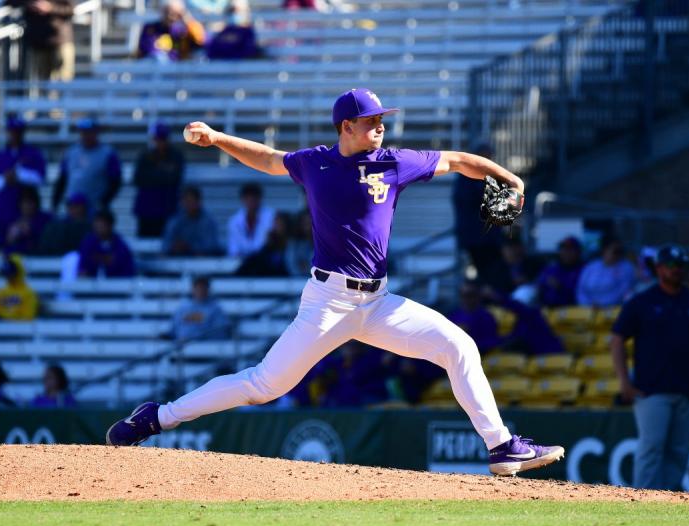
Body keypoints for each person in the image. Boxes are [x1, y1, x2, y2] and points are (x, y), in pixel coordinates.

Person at [107, 88, 564, 477]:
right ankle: (158, 417)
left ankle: (502, 446)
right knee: (264, 385)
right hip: (327, 301)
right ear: (345, 126)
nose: (380, 127)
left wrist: (509, 176)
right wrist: (217, 137)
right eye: (371, 122)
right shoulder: (315, 164)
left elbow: (460, 159)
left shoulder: (395, 162)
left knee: (458, 346)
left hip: (379, 302)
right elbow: (267, 159)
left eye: (382, 120)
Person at [611, 245, 689, 490]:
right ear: (659, 268)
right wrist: (624, 382)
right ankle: (643, 501)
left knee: (679, 452)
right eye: (671, 265)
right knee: (651, 446)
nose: (676, 270)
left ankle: (667, 502)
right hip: (651, 391)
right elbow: (617, 340)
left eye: (680, 265)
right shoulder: (642, 302)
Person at [0, 117, 46, 247]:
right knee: (2, 249)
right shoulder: (0, 156)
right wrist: (4, 179)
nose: (15, 135)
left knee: (27, 248)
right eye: (12, 131)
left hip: (26, 214)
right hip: (3, 212)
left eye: (18, 131)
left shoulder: (33, 153)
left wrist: (19, 175)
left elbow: (40, 178)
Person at [451, 142, 504, 278]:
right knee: (484, 274)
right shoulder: (465, 177)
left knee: (494, 273)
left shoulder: (492, 178)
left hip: (491, 238)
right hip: (475, 237)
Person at [52, 117, 122, 214]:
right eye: (84, 132)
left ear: (96, 133)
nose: (87, 135)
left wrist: (104, 201)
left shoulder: (107, 154)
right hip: (73, 206)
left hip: (94, 206)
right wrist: (55, 203)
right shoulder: (71, 152)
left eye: (90, 132)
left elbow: (115, 181)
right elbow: (62, 178)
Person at [132, 123, 185, 237]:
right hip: (146, 209)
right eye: (157, 138)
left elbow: (175, 179)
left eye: (163, 138)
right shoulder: (145, 155)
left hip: (167, 209)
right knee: (145, 243)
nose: (160, 141)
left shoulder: (176, 156)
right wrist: (163, 174)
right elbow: (137, 179)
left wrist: (152, 176)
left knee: (166, 244)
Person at [6, 0, 75, 82]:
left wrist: (50, 8)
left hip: (60, 41)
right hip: (38, 42)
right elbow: (10, 3)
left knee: (63, 78)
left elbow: (70, 9)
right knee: (43, 80)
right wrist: (30, 4)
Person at [137, 0, 206, 63]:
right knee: (158, 59)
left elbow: (200, 41)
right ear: (162, 12)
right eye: (167, 12)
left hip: (176, 70)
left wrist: (187, 19)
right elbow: (149, 49)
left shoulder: (181, 31)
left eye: (174, 13)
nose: (170, 16)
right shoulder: (151, 29)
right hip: (155, 69)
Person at [161, 186, 221, 256]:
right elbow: (165, 246)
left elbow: (211, 247)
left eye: (191, 201)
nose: (188, 204)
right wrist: (174, 246)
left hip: (202, 263)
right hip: (177, 261)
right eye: (185, 201)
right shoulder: (175, 221)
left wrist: (189, 247)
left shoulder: (208, 221)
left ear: (199, 202)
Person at [166, 276, 230, 342]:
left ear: (208, 289)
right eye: (198, 288)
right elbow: (173, 331)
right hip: (181, 346)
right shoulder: (182, 308)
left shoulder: (216, 309)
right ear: (193, 289)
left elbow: (220, 332)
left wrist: (197, 338)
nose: (200, 290)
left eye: (203, 288)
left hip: (204, 347)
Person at [77, 210, 136, 278]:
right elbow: (83, 266)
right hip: (91, 281)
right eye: (97, 224)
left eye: (103, 224)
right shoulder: (88, 242)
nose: (99, 227)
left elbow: (126, 269)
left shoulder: (120, 245)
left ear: (110, 225)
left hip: (115, 283)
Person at [226, 182, 275, 258]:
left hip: (264, 261)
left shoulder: (271, 217)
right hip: (241, 262)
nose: (251, 202)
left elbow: (269, 244)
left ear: (259, 199)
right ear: (242, 199)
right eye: (248, 199)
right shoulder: (234, 221)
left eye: (253, 199)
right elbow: (233, 248)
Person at [235, 212, 291, 277]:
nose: (276, 227)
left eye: (280, 224)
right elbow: (258, 258)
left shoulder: (292, 245)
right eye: (275, 224)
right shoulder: (270, 245)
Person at [536, 236, 584, 308]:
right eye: (563, 249)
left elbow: (581, 294)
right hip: (547, 310)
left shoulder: (584, 270)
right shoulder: (550, 268)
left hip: (573, 311)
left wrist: (560, 287)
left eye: (570, 249)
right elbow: (538, 286)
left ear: (578, 251)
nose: (566, 252)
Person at [3, 186, 52, 254]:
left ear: (36, 203)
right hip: (18, 257)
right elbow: (8, 242)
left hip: (41, 256)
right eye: (25, 202)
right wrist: (12, 236)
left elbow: (48, 241)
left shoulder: (45, 218)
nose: (27, 206)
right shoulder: (14, 219)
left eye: (30, 202)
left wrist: (31, 229)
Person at [0, 254, 38, 321]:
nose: (9, 276)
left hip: (20, 330)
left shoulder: (29, 293)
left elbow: (27, 319)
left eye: (11, 272)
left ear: (19, 271)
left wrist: (6, 320)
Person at [285, 210, 313, 276]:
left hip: (317, 281)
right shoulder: (293, 243)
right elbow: (291, 264)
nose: (307, 225)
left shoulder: (321, 243)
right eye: (304, 222)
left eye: (309, 222)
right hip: (295, 281)